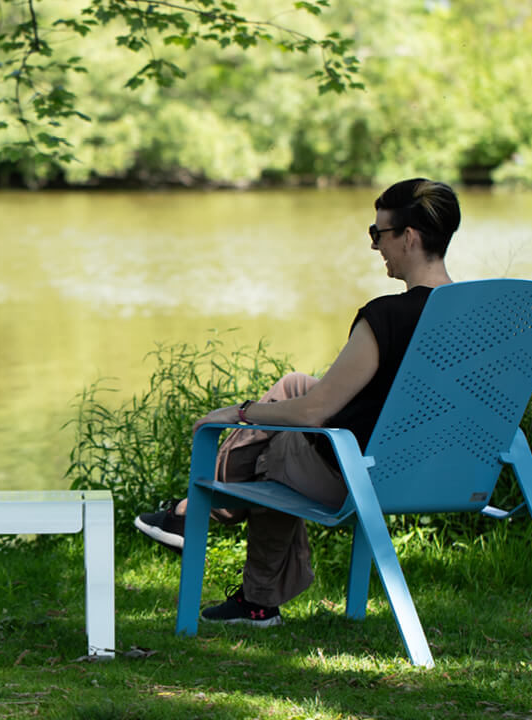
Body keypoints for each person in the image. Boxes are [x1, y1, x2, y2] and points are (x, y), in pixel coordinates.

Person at [134, 178, 460, 628]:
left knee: (274, 447)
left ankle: (198, 516)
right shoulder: (478, 316)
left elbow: (312, 414)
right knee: (294, 385)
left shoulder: (387, 316)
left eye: (378, 233)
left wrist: (238, 412)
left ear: (408, 237)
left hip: (361, 477)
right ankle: (227, 562)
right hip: (438, 470)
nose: (374, 246)